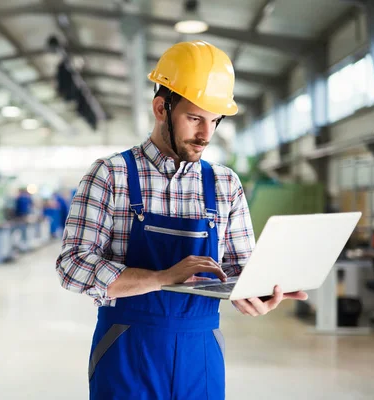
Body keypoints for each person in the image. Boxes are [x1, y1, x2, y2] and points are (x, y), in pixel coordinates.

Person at [55, 41, 308, 400]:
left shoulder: (225, 183)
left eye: (214, 120)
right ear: (161, 108)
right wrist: (160, 278)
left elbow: (240, 268)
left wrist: (255, 292)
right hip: (127, 347)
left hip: (201, 351)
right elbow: (72, 266)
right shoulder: (111, 175)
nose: (206, 134)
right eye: (195, 118)